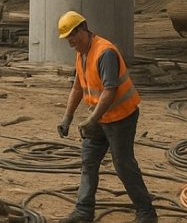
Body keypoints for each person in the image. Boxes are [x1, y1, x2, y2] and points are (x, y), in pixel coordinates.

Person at [56, 11, 157, 223]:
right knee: (89, 161)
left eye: (72, 37)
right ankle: (84, 210)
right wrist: (68, 116)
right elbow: (77, 88)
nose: (71, 43)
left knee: (123, 165)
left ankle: (146, 212)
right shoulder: (81, 52)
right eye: (68, 40)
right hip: (99, 118)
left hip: (122, 117)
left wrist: (91, 120)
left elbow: (110, 91)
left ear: (83, 29)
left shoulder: (105, 52)